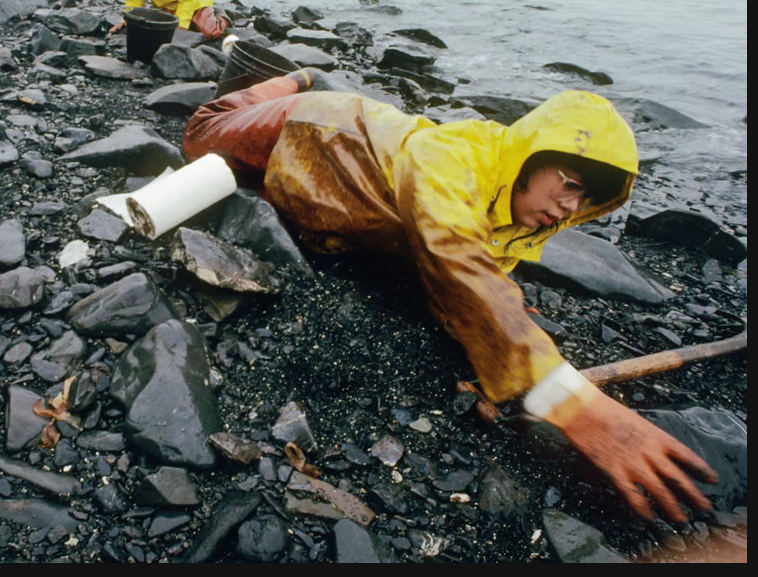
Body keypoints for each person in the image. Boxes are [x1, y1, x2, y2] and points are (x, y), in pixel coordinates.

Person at [182, 70, 719, 523]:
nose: (568, 208)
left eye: (586, 201)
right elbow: (457, 257)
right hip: (317, 127)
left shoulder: (524, 214)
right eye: (569, 184)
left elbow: (469, 286)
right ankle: (297, 78)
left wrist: (498, 337)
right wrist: (579, 408)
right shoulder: (449, 157)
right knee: (200, 134)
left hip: (353, 196)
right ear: (532, 155)